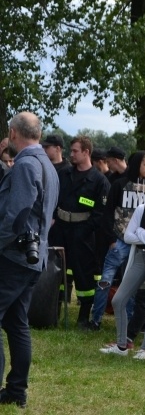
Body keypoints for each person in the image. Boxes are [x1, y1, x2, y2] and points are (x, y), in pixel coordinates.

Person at [0, 113, 59, 408]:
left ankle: (15, 390)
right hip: (34, 258)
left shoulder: (25, 164)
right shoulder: (48, 165)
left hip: (14, 257)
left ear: (13, 132)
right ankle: (16, 392)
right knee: (16, 323)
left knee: (16, 323)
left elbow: (16, 216)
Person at [100, 183, 145, 358]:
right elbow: (128, 237)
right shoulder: (142, 209)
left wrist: (140, 232)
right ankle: (121, 346)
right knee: (118, 300)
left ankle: (144, 349)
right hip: (139, 258)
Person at [49, 135, 111, 327]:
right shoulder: (64, 173)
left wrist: (85, 230)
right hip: (60, 229)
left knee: (83, 274)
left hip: (82, 233)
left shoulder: (99, 181)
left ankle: (84, 315)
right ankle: (53, 310)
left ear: (86, 152)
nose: (72, 154)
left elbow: (100, 213)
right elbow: (54, 198)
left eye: (75, 151)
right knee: (56, 271)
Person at [90, 151, 145, 330]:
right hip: (119, 241)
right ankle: (96, 319)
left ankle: (130, 322)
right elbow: (108, 213)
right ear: (137, 164)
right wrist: (111, 240)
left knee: (132, 284)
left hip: (140, 244)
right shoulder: (119, 184)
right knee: (105, 281)